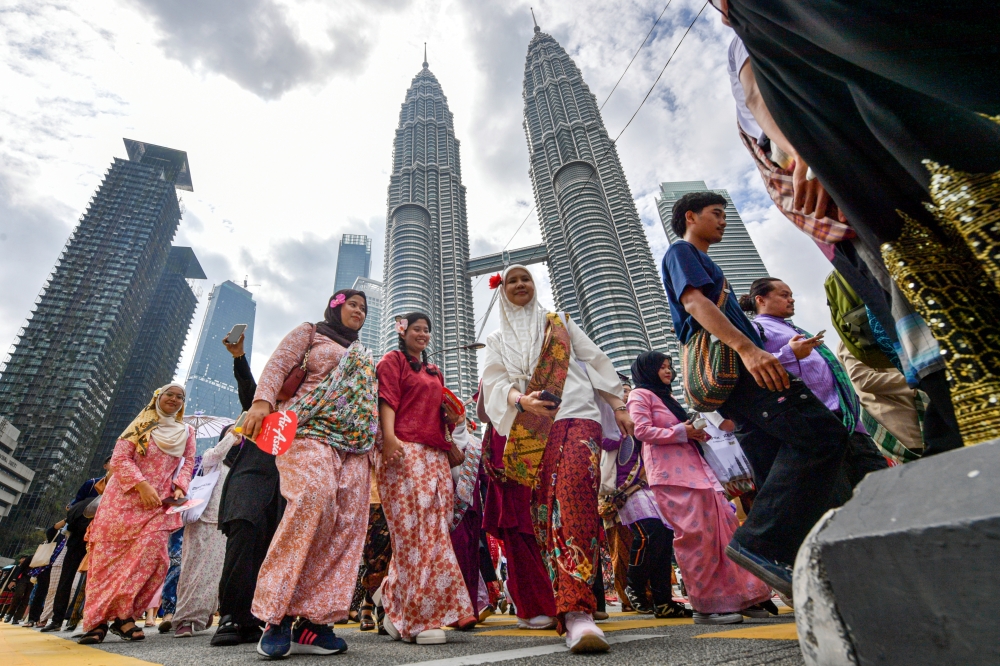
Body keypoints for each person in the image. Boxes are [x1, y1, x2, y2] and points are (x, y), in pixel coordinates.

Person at [718, 0, 1000, 445]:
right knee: (915, 283)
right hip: (846, 171)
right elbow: (759, 96)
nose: (718, 14)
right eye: (786, 294)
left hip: (870, 157)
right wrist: (802, 150)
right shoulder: (750, 32)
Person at [662, 192, 850, 598]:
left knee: (771, 463)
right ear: (690, 217)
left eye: (725, 216)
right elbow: (694, 303)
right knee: (824, 435)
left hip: (744, 371)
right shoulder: (681, 251)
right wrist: (748, 349)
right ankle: (757, 543)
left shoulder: (709, 262)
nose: (723, 222)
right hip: (743, 370)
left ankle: (797, 565)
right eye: (716, 214)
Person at [481, 265, 633, 653]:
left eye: (525, 279)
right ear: (502, 292)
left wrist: (618, 404)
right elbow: (495, 382)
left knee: (577, 506)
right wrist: (521, 400)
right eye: (512, 280)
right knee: (543, 517)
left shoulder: (560, 322)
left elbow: (595, 360)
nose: (519, 285)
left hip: (578, 418)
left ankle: (577, 612)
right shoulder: (496, 339)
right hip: (530, 430)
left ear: (535, 286)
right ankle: (563, 603)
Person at [241, 289, 378, 659]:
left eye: (364, 309)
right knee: (311, 501)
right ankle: (277, 614)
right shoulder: (311, 332)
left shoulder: (363, 354)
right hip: (305, 430)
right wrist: (261, 403)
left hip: (354, 446)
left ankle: (315, 624)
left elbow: (368, 402)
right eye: (353, 304)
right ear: (335, 306)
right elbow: (278, 364)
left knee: (346, 523)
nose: (359, 312)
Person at [628, 351, 772, 623]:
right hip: (671, 475)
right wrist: (682, 431)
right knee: (696, 538)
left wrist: (695, 432)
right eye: (661, 367)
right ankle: (706, 605)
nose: (667, 371)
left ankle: (739, 596)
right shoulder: (640, 396)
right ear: (647, 371)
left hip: (698, 472)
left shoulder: (666, 397)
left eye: (669, 366)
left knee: (724, 532)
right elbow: (642, 431)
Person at [375, 312, 476, 645]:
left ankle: (391, 597)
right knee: (412, 533)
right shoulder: (392, 361)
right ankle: (418, 619)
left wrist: (452, 428)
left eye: (427, 330)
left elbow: (437, 415)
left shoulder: (435, 372)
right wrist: (389, 439)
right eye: (417, 329)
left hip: (434, 455)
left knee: (434, 531)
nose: (423, 334)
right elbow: (387, 399)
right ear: (403, 332)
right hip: (403, 449)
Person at [739, 278, 889, 491]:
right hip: (817, 428)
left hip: (850, 424)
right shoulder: (755, 330)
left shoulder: (791, 328)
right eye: (784, 295)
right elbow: (751, 371)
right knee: (846, 499)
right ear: (761, 299)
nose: (791, 300)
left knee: (886, 488)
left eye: (791, 294)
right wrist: (790, 354)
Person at [77, 383, 196, 644]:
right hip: (122, 501)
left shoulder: (186, 431)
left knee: (154, 557)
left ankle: (124, 614)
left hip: (157, 506)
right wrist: (141, 485)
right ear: (158, 397)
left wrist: (180, 487)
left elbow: (188, 463)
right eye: (170, 395)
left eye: (180, 397)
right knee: (108, 562)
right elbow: (120, 459)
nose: (174, 400)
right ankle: (97, 622)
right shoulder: (140, 424)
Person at [213, 332, 286, 647]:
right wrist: (239, 358)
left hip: (284, 488)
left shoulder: (307, 410)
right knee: (243, 542)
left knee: (270, 550)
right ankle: (230, 616)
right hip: (249, 480)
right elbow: (249, 390)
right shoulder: (265, 406)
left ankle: (253, 617)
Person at [600, 377, 686, 618]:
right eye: (620, 392)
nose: (625, 396)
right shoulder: (607, 419)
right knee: (649, 532)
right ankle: (635, 586)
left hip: (652, 484)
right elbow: (604, 442)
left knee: (664, 536)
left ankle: (663, 601)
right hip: (625, 489)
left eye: (627, 391)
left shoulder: (642, 414)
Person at [481, 389, 559, 631]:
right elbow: (484, 413)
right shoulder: (498, 368)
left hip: (542, 450)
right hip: (510, 456)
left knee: (543, 533)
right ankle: (533, 607)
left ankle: (545, 602)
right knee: (521, 533)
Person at [172, 425, 239, 637]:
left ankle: (204, 612)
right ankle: (185, 618)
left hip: (222, 524)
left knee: (214, 572)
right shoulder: (213, 459)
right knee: (193, 570)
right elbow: (215, 454)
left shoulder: (238, 466)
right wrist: (232, 437)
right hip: (201, 519)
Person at [836, 340, 925, 463]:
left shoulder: (890, 330)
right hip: (896, 423)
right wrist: (920, 380)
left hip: (920, 412)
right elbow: (864, 380)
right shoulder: (852, 339)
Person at [39, 486, 99, 632]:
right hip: (96, 544)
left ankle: (57, 620)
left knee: (65, 581)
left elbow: (69, 526)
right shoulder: (103, 501)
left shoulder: (76, 506)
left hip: (75, 545)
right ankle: (87, 619)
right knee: (93, 582)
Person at [3, 556, 33, 624]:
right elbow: (20, 569)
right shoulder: (30, 557)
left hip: (33, 582)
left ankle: (17, 618)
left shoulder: (45, 559)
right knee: (17, 596)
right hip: (23, 579)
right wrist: (14, 580)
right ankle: (10, 614)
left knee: (26, 599)